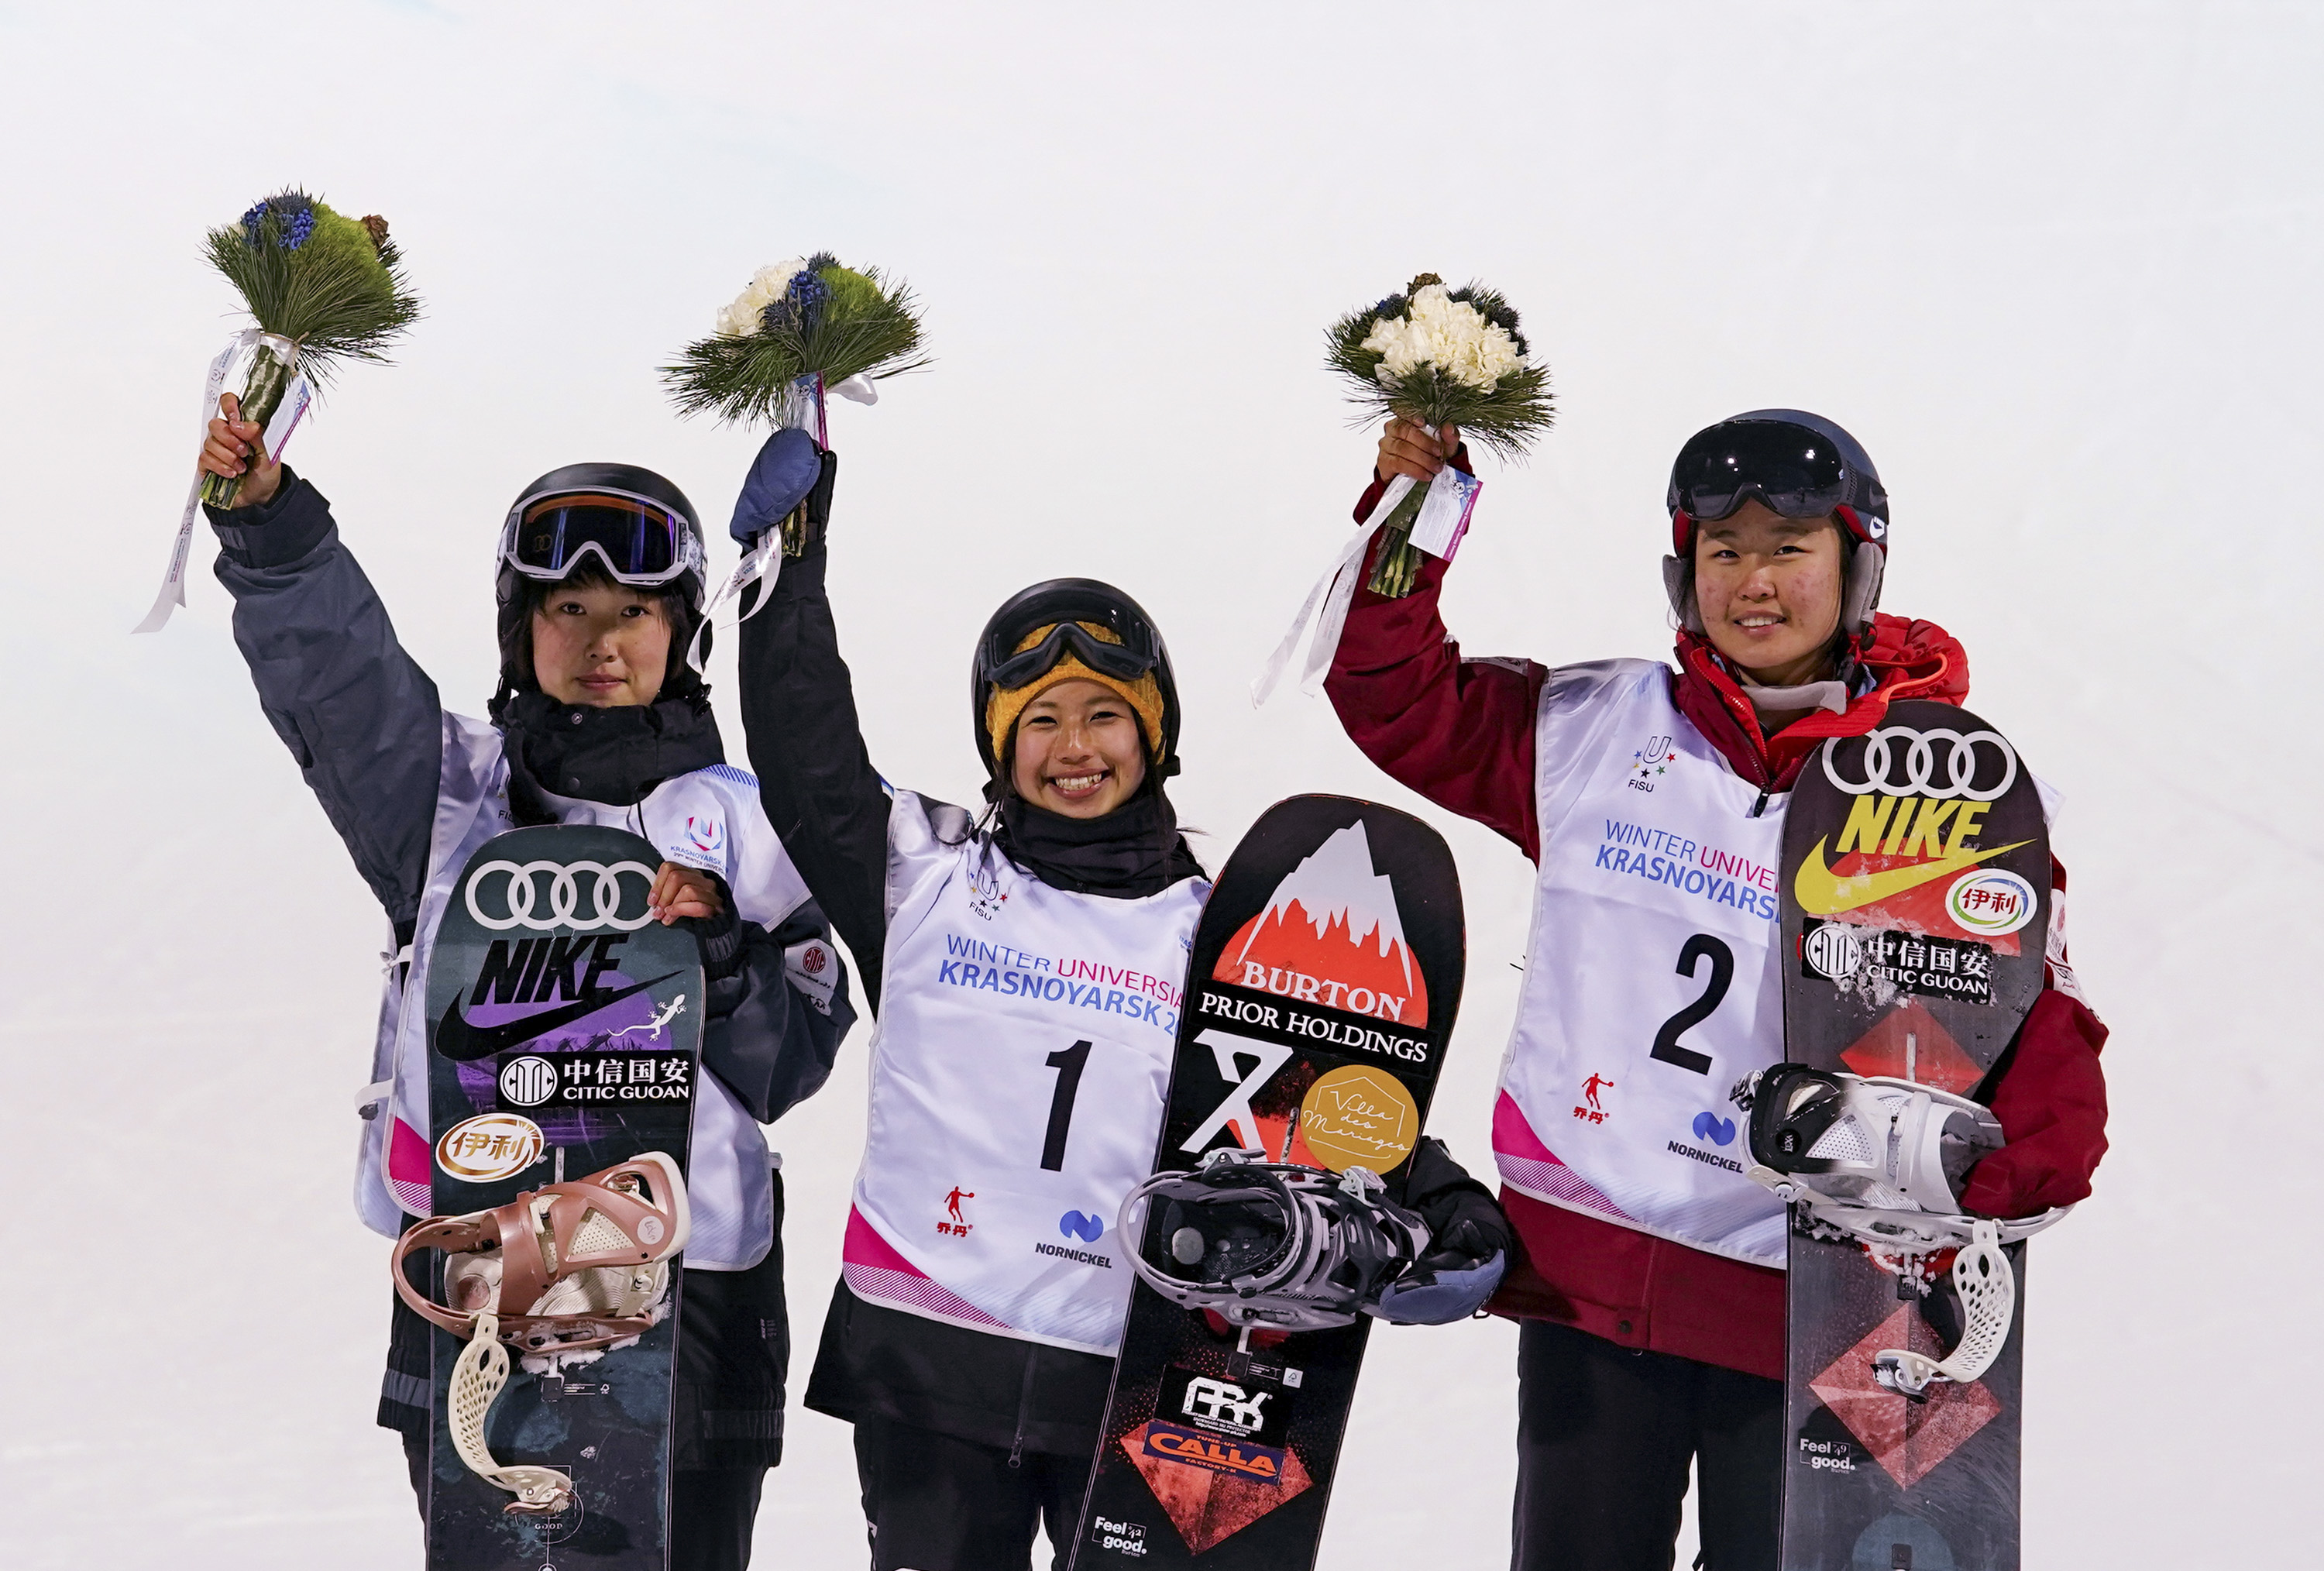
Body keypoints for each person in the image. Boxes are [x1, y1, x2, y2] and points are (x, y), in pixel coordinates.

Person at [1321, 410, 2110, 1571]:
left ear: (1860, 566)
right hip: (1593, 1285)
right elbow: (1394, 697)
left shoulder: (1941, 793)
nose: (1754, 580)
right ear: (1683, 573)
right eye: (1722, 548)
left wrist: (1969, 1173)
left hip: (1812, 1302)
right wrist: (1414, 515)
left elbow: (2044, 1064)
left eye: (1791, 546)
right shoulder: (1591, 731)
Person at [730, 432, 1512, 1571]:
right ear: (999, 745)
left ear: (1154, 731)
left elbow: (1301, 1096)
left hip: (1138, 1376)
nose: (1074, 747)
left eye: (1104, 714)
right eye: (1039, 720)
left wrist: (1442, 1205)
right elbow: (806, 752)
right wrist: (784, 571)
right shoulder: (922, 878)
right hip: (930, 1359)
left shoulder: (1221, 931)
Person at [194, 396, 856, 1570]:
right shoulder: (446, 797)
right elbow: (343, 691)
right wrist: (272, 530)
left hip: (688, 1296)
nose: (604, 642)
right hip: (475, 1270)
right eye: (569, 607)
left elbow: (794, 1060)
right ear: (521, 625)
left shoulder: (745, 831)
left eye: (637, 611)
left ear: (685, 626)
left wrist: (720, 958)